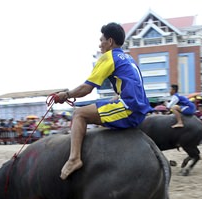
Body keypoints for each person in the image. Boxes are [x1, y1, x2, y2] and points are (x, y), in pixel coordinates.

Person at [53, 22, 151, 180]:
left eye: (101, 41)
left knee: (79, 114)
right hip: (138, 107)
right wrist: (116, 97)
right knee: (101, 108)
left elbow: (86, 88)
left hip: (129, 108)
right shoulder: (128, 58)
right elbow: (132, 87)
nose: (99, 45)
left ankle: (74, 159)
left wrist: (66, 94)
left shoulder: (108, 57)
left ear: (110, 42)